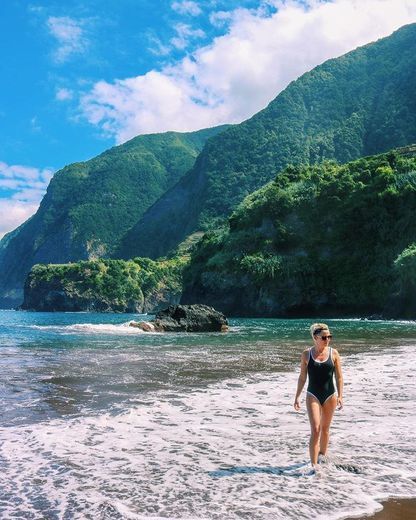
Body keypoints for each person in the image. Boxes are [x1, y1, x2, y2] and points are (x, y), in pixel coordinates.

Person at [294, 323, 343, 469]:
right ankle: (314, 466)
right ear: (316, 337)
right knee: (315, 429)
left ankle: (322, 457)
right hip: (312, 395)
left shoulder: (334, 353)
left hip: (330, 395)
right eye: (324, 337)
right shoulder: (306, 354)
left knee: (325, 429)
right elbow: (302, 377)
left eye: (329, 337)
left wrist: (341, 396)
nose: (327, 339)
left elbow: (339, 377)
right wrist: (297, 396)